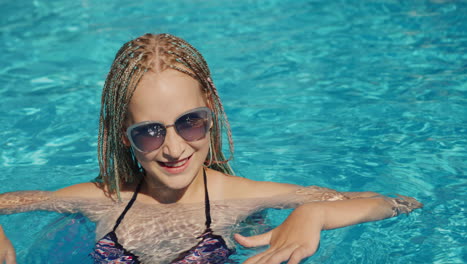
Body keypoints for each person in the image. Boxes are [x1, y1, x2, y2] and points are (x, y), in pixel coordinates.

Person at [0, 33, 422, 264]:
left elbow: (397, 203)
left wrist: (316, 213)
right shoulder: (103, 199)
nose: (173, 147)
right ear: (122, 134)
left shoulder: (239, 196)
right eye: (149, 132)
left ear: (211, 113)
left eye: (190, 122)